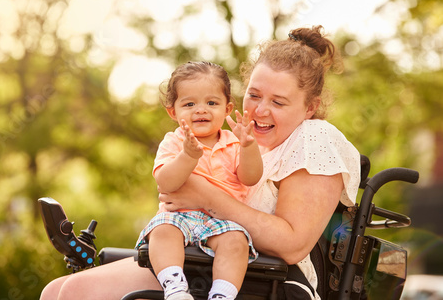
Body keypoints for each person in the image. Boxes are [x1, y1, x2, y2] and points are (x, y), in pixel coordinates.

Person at [40, 25, 360, 300]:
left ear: (310, 107)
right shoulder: (241, 142)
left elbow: (291, 245)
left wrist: (204, 196)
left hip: (262, 279)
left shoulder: (315, 136)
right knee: (55, 290)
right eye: (254, 95)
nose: (261, 110)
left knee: (72, 294)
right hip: (198, 257)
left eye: (278, 102)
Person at [135, 61, 263, 300]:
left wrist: (249, 147)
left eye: (212, 103)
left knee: (237, 242)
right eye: (190, 104)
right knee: (161, 229)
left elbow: (251, 177)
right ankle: (175, 288)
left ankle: (222, 295)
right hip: (178, 216)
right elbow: (166, 183)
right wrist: (188, 156)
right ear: (173, 111)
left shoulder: (233, 143)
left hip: (222, 219)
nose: (201, 110)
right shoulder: (174, 142)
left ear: (227, 108)